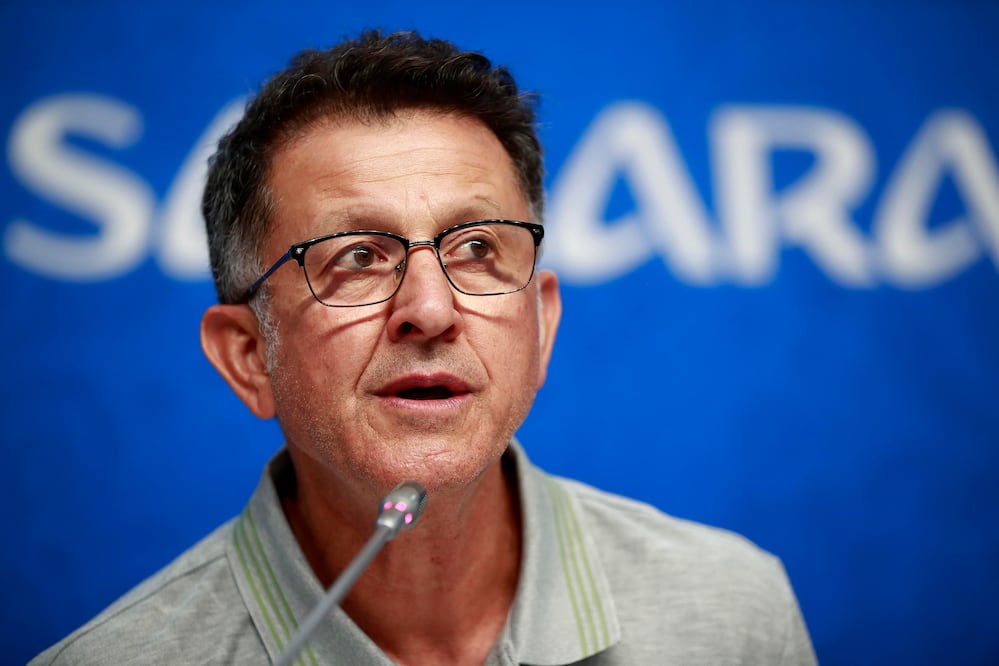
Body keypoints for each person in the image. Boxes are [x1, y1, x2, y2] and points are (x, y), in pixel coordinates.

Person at [32, 30, 817, 665]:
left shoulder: (732, 615)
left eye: (477, 248)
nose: (431, 310)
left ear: (539, 326)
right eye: (355, 257)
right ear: (248, 356)